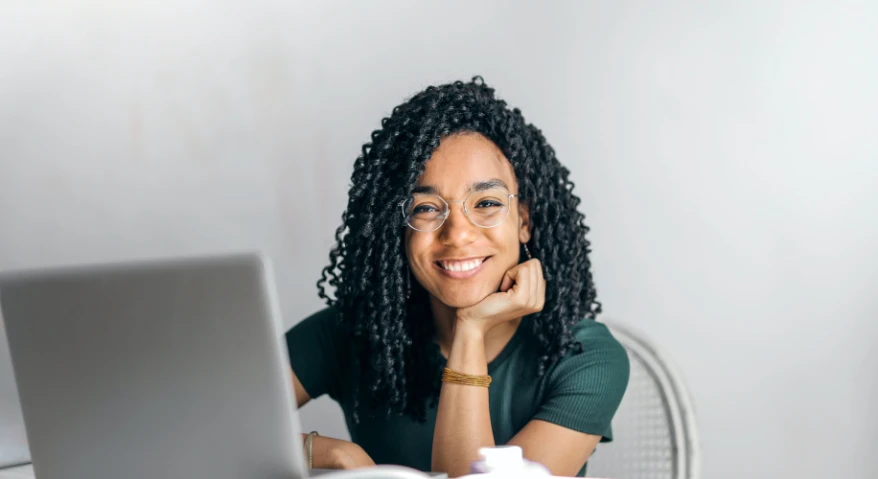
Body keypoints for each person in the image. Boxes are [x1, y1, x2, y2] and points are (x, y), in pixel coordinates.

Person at [285, 77, 629, 478]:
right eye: (426, 208)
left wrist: (471, 328)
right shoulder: (351, 332)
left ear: (524, 220)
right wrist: (332, 454)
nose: (458, 234)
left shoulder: (584, 357)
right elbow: (205, 422)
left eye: (486, 203)